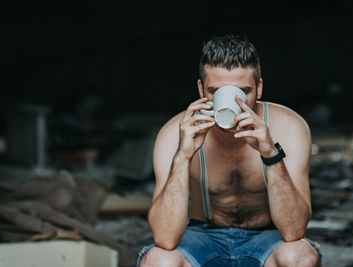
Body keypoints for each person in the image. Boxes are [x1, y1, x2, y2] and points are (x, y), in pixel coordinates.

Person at [138, 34, 322, 267]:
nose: (231, 103)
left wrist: (270, 153)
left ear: (260, 87)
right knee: (157, 260)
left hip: (267, 238)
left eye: (243, 91)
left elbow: (294, 230)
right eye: (216, 92)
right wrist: (183, 156)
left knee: (300, 257)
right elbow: (164, 238)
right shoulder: (174, 132)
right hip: (203, 237)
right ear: (201, 89)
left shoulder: (289, 127)